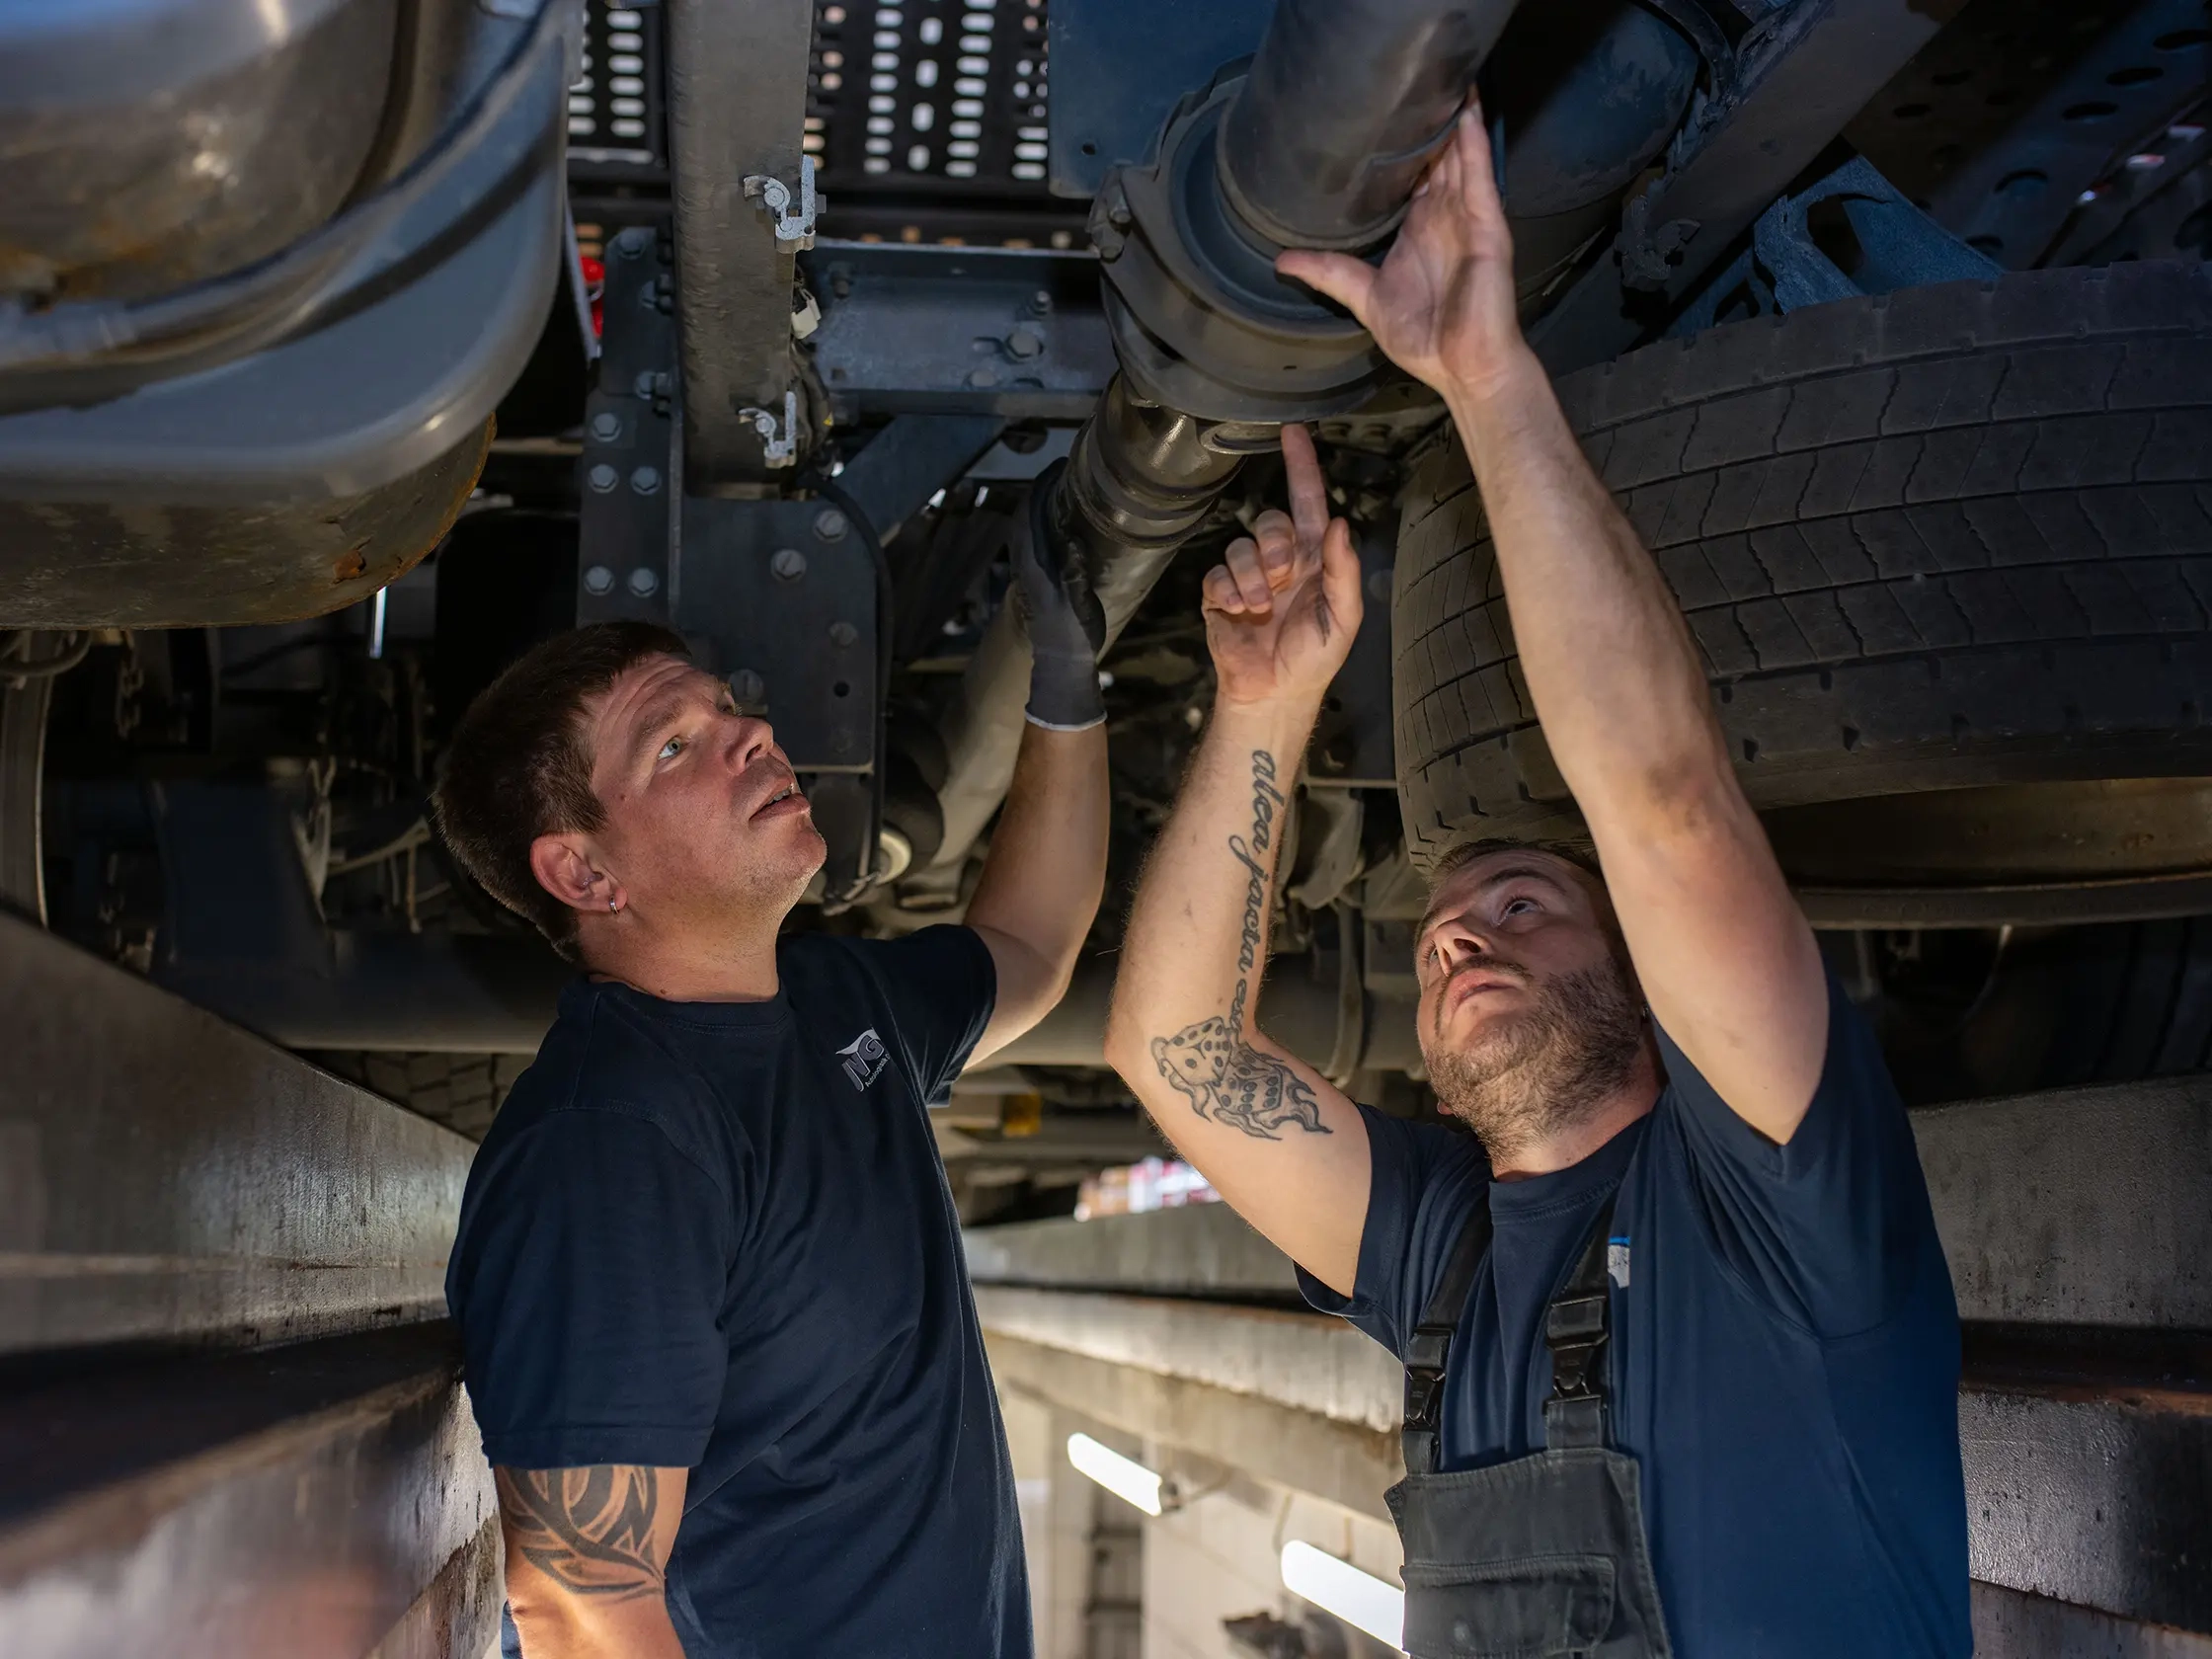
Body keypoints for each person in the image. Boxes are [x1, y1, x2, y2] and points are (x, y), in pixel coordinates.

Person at [1104, 101, 1969, 1659]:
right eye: (1450, 928)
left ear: (1648, 974)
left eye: (1515, 909)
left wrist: (1490, 381)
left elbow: (1667, 809)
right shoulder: (1444, 1248)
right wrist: (1262, 707)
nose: (1452, 940)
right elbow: (1181, 1055)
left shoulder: (1769, 1195)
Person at [432, 499, 1111, 1658]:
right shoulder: (612, 1149)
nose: (746, 733)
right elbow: (581, 1600)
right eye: (672, 746)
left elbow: (1031, 949)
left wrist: (1063, 682)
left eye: (725, 708)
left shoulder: (837, 1008)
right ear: (584, 874)